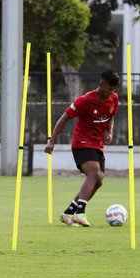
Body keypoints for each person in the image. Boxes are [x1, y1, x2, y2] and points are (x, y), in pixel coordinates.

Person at [45, 68, 120, 227]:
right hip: (82, 142)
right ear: (101, 84)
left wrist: (109, 130)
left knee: (99, 180)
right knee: (94, 174)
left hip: (97, 144)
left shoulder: (114, 99)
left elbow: (111, 115)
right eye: (109, 88)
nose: (111, 92)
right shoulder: (85, 100)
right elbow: (63, 119)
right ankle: (80, 213)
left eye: (113, 89)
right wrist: (52, 141)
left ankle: (68, 213)